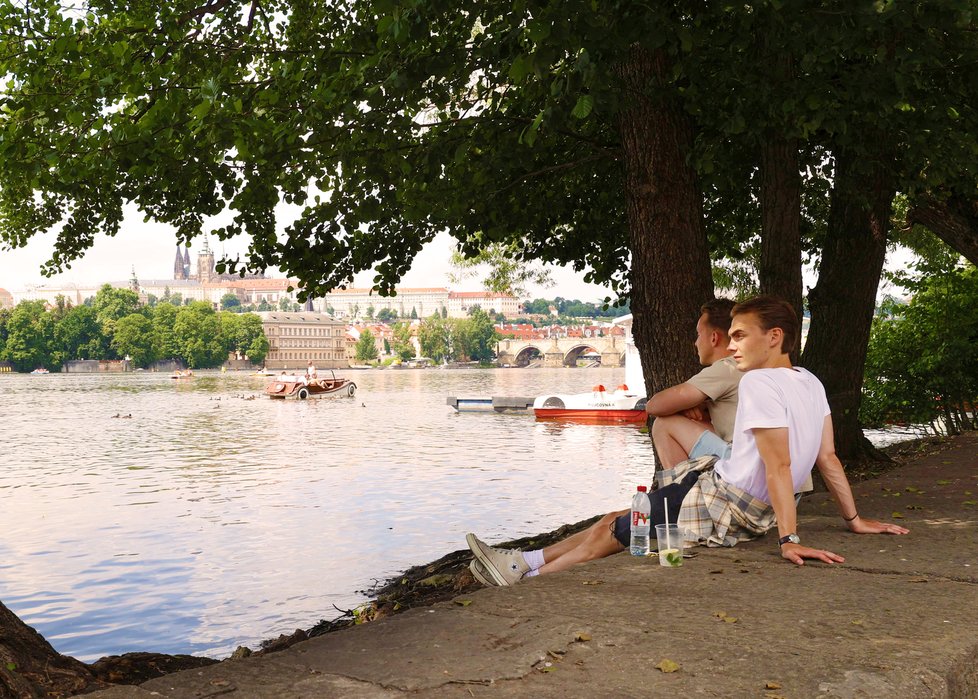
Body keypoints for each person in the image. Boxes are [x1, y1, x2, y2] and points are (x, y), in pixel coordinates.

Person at [466, 295, 909, 587]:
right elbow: (826, 457)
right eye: (729, 335)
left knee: (624, 529)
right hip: (717, 486)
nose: (731, 346)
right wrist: (853, 518)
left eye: (740, 336)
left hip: (726, 503)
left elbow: (779, 466)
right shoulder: (810, 380)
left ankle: (524, 579)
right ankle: (526, 561)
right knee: (624, 516)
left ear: (774, 338)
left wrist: (788, 539)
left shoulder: (759, 384)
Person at [647, 298, 740, 468]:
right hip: (768, 463)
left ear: (714, 338)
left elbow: (654, 406)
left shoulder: (726, 367)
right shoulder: (749, 365)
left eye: (698, 334)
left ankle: (682, 492)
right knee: (697, 422)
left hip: (742, 463)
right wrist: (703, 407)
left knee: (663, 423)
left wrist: (684, 407)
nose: (695, 343)